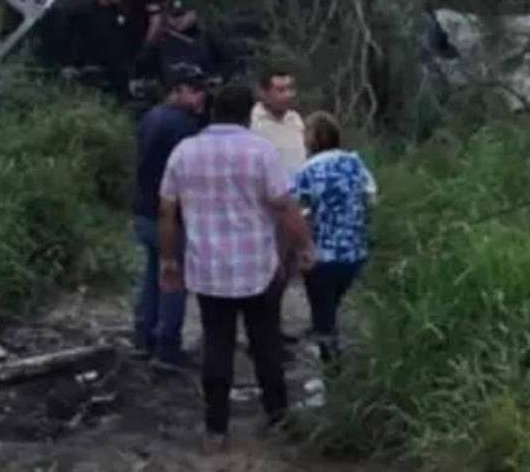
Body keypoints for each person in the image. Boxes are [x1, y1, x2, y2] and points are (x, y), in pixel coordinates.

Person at [158, 83, 314, 450]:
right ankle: (277, 417)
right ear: (248, 114)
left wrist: (168, 260)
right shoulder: (261, 151)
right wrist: (304, 245)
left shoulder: (185, 151)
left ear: (211, 112)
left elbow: (166, 210)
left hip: (208, 269)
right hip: (258, 267)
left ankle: (216, 428)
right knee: (266, 343)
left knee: (217, 346)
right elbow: (284, 206)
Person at [132, 68, 208, 370]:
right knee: (173, 275)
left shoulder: (150, 117)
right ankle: (167, 345)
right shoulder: (183, 125)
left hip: (144, 208)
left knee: (152, 272)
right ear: (180, 89)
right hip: (170, 214)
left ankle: (143, 334)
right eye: (197, 91)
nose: (202, 98)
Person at [291, 112, 376, 363]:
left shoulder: (308, 170)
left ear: (314, 137)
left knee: (323, 317)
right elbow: (371, 197)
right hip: (354, 251)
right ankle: (334, 362)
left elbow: (298, 211)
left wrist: (299, 247)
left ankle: (330, 375)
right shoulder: (355, 163)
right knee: (333, 306)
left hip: (321, 254)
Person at [251, 68, 308, 343]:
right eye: (280, 89)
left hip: (296, 206)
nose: (288, 95)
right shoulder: (254, 122)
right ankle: (262, 333)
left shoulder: (295, 120)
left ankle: (274, 326)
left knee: (287, 271)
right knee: (269, 273)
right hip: (268, 210)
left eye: (290, 89)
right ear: (263, 92)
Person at [63, 0, 138, 99]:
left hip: (116, 69)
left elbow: (128, 42)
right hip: (89, 66)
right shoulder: (83, 12)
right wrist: (69, 62)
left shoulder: (122, 14)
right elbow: (69, 37)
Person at [135, 0, 235, 88]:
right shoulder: (162, 40)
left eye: (181, 15)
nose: (176, 20)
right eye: (172, 16)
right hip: (172, 94)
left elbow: (229, 61)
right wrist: (153, 32)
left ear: (193, 13)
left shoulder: (209, 36)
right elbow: (142, 65)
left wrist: (220, 78)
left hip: (203, 91)